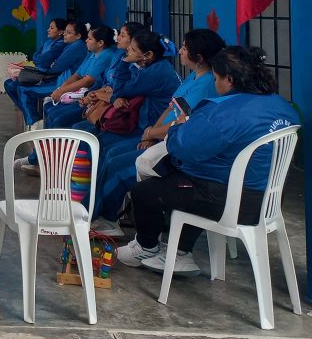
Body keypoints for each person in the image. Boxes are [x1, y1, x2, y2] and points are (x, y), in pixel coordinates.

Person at [117, 46, 296, 275]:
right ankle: (180, 252)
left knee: (146, 190)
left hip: (230, 201)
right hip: (268, 200)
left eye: (216, 77)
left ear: (229, 79)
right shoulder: (280, 105)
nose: (215, 83)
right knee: (192, 181)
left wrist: (180, 126)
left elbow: (184, 147)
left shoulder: (226, 111)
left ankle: (147, 247)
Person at [91, 28, 226, 237]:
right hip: (159, 136)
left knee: (118, 165)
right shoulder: (193, 76)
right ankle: (104, 213)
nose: (179, 51)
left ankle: (108, 219)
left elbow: (182, 124)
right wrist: (151, 132)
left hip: (174, 147)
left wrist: (152, 136)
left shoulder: (207, 84)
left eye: (184, 48)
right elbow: (172, 108)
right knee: (113, 154)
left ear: (198, 57)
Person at [13, 25, 118, 175]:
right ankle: (41, 158)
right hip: (84, 95)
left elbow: (87, 81)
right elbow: (77, 75)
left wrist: (62, 90)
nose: (86, 41)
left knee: (59, 118)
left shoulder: (107, 55)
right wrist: (60, 89)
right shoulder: (92, 54)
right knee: (50, 110)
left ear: (100, 42)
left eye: (89, 38)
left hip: (90, 100)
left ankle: (49, 162)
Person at [8, 20, 89, 127]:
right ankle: (33, 120)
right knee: (16, 86)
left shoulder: (76, 46)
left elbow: (56, 66)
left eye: (68, 32)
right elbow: (38, 57)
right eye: (65, 31)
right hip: (61, 81)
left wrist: (51, 65)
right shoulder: (67, 45)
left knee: (23, 90)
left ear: (78, 36)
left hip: (64, 84)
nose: (64, 34)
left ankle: (34, 123)